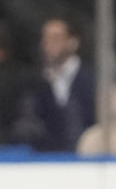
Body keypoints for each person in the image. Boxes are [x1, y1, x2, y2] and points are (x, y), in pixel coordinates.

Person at [14, 16, 95, 152]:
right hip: (45, 162)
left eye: (56, 38)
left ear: (73, 42)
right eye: (45, 39)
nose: (48, 44)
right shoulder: (32, 84)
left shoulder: (93, 80)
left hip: (86, 160)